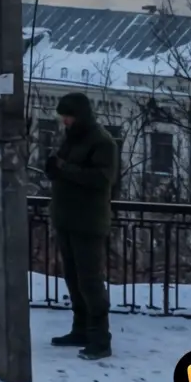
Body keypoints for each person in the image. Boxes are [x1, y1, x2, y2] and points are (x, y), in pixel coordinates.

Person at [45, 91, 119, 360]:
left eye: (69, 116)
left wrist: (64, 169)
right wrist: (54, 168)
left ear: (81, 116)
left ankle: (100, 338)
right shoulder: (72, 138)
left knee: (90, 281)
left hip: (88, 221)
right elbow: (64, 167)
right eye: (63, 116)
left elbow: (102, 178)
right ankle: (81, 329)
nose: (65, 121)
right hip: (67, 218)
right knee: (74, 279)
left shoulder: (102, 141)